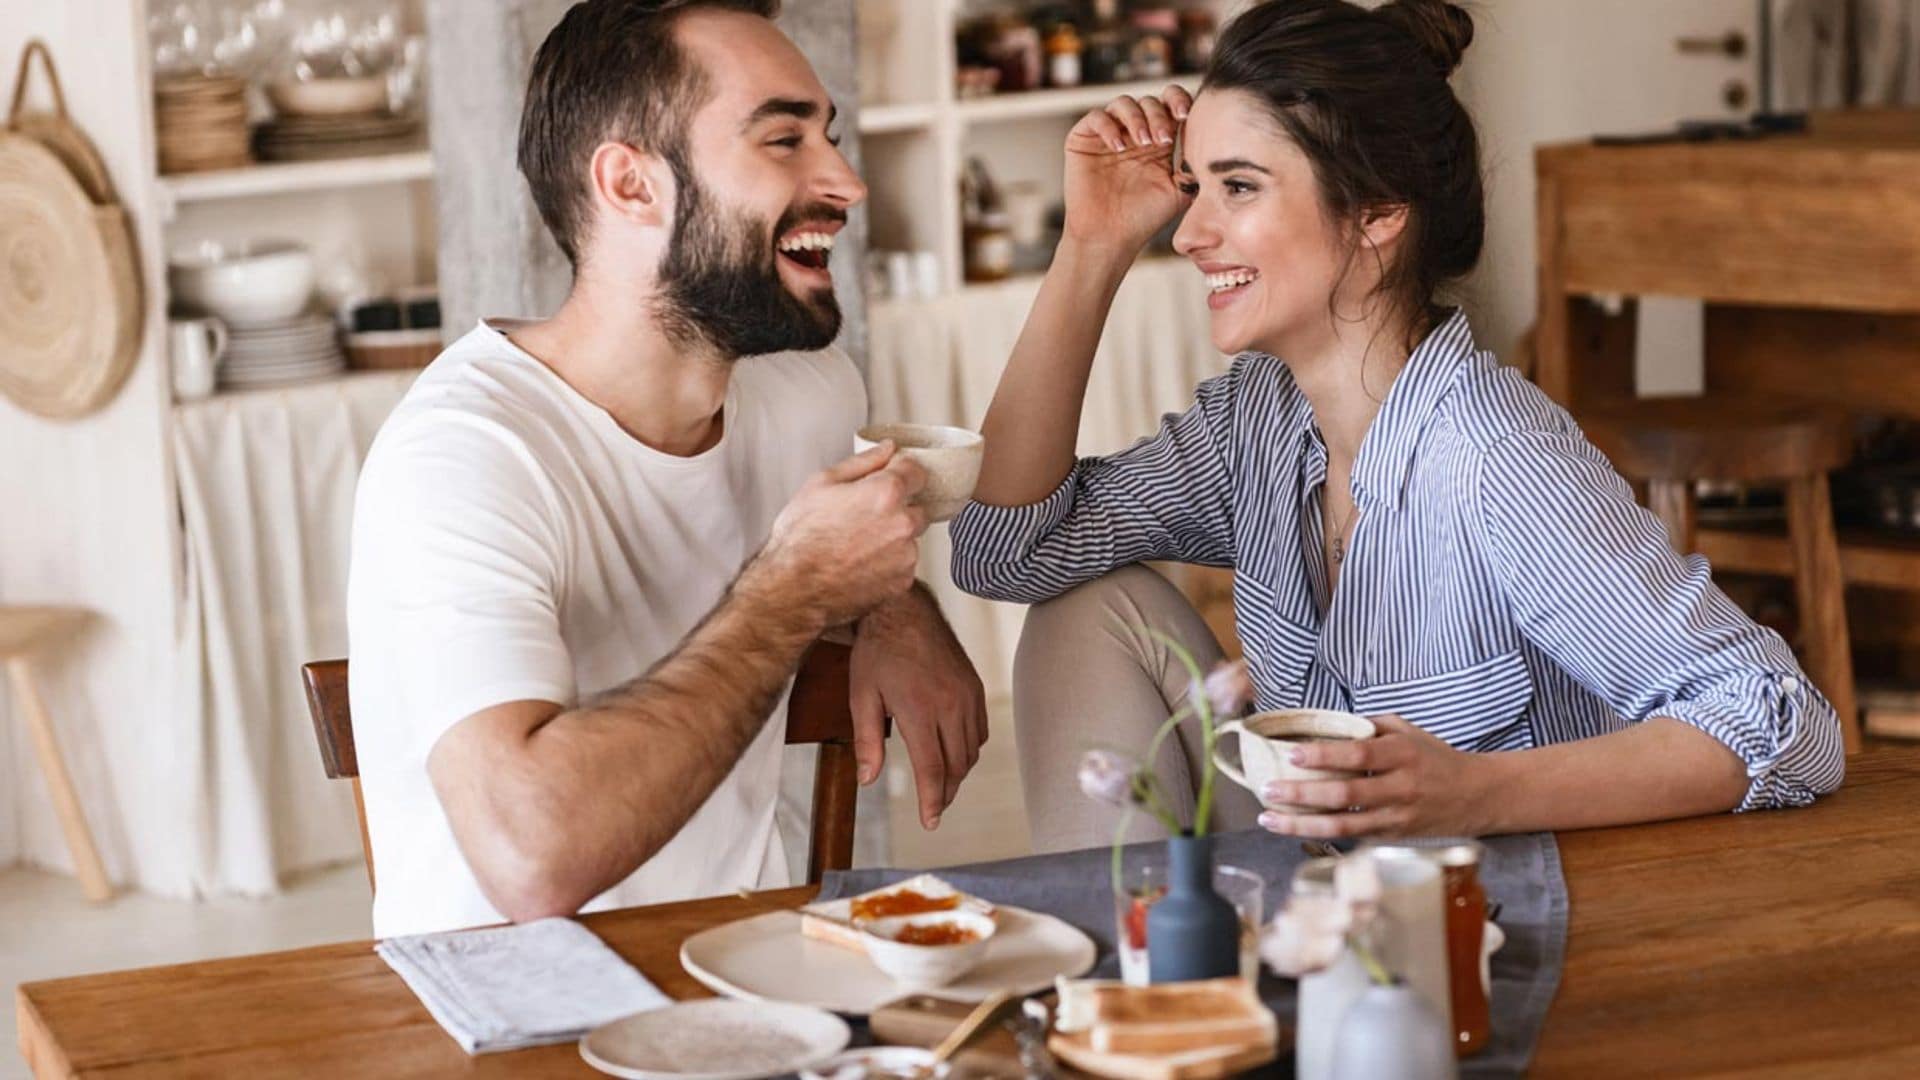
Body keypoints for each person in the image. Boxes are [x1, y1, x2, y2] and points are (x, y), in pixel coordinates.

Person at [950, 0, 1845, 855]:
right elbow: (1007, 551)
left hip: (1498, 924)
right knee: (1084, 609)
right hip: (1319, 894)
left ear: (1376, 213)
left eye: (1238, 187)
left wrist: (1477, 793)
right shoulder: (1255, 421)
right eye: (1195, 185)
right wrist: (1091, 245)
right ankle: (1143, 997)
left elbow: (1783, 722)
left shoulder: (1498, 461)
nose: (1190, 233)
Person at [348, 0, 987, 939]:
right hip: (506, 1015)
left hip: (742, 974)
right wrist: (795, 592)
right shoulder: (465, 457)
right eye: (782, 141)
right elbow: (531, 856)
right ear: (632, 184)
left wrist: (896, 607)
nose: (846, 182)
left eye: (830, 138)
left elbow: (839, 564)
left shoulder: (810, 396)